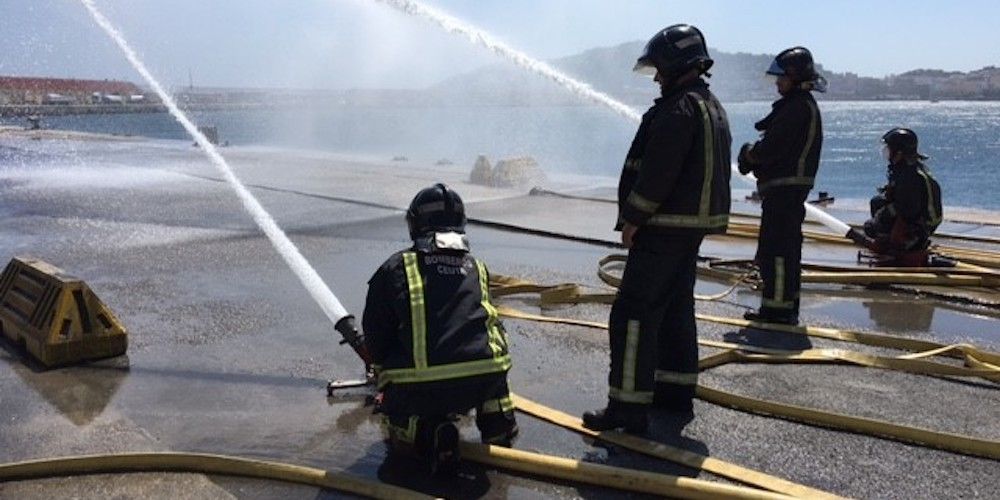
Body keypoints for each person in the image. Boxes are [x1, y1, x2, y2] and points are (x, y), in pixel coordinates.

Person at [583, 24, 732, 433]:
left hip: (663, 227)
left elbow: (658, 173)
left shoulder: (678, 109)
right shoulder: (709, 105)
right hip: (687, 230)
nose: (657, 77)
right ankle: (674, 392)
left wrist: (634, 217)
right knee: (675, 311)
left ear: (675, 63)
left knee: (633, 314)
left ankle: (626, 408)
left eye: (660, 69)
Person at [362, 183, 517, 473]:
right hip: (485, 378)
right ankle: (499, 428)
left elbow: (376, 330)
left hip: (425, 386)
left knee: (397, 415)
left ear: (414, 224)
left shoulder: (396, 267)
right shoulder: (477, 266)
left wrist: (381, 369)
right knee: (490, 367)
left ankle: (427, 433)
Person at [737, 46, 826, 326]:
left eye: (781, 78)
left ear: (795, 76)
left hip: (783, 192)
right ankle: (784, 308)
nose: (777, 83)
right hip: (786, 192)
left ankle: (776, 311)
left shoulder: (797, 107)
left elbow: (773, 147)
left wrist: (750, 154)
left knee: (775, 251)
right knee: (784, 250)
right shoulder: (800, 105)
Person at [861, 128, 942, 265]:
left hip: (920, 225)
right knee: (877, 202)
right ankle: (897, 239)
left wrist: (881, 218)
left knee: (870, 227)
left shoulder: (909, 176)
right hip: (920, 218)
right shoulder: (908, 169)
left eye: (888, 148)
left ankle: (905, 244)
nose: (885, 152)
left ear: (899, 153)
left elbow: (907, 210)